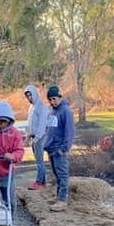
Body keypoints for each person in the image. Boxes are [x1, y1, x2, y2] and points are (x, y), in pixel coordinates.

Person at [44, 84, 75, 212]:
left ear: (60, 97)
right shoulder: (52, 111)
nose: (52, 102)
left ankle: (62, 200)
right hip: (51, 149)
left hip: (59, 150)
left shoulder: (66, 111)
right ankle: (58, 198)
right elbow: (49, 129)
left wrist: (64, 148)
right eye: (50, 99)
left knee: (62, 175)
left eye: (54, 99)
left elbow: (69, 131)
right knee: (56, 175)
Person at [23, 84, 49, 190]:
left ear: (35, 94)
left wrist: (37, 138)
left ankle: (39, 182)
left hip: (40, 137)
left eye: (30, 95)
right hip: (33, 136)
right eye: (27, 96)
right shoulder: (31, 107)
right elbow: (30, 123)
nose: (29, 98)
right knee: (38, 160)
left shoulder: (42, 106)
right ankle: (43, 182)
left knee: (39, 161)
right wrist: (28, 136)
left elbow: (42, 124)